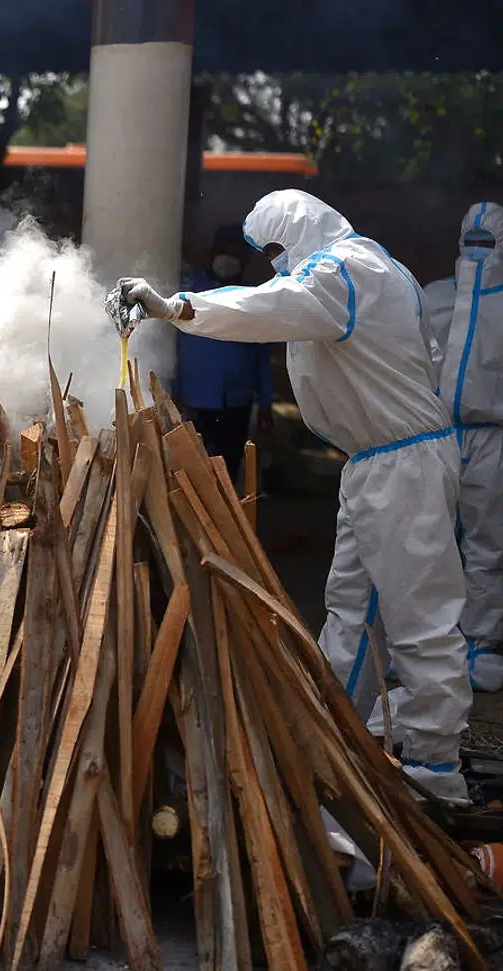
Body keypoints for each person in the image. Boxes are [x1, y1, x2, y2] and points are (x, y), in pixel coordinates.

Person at [119, 188, 470, 804]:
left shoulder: (344, 270)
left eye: (276, 249)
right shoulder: (376, 268)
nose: (275, 264)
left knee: (420, 618)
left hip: (403, 464)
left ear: (302, 230)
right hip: (382, 460)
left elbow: (273, 306)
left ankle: (436, 770)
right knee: (353, 609)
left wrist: (176, 307)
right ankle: (341, 732)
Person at [428, 202, 503, 693]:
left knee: (486, 543)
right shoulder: (435, 297)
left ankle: (479, 646)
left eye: (488, 242)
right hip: (436, 432)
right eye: (471, 241)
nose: (478, 252)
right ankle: (426, 643)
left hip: (493, 437)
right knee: (429, 540)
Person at [175, 225, 274, 480]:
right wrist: (172, 393)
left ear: (246, 259)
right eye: (223, 251)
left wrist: (265, 404)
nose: (228, 259)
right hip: (194, 398)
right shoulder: (188, 290)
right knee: (193, 470)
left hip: (236, 401)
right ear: (212, 252)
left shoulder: (255, 298)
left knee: (228, 468)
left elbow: (262, 355)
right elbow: (171, 342)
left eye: (235, 253)